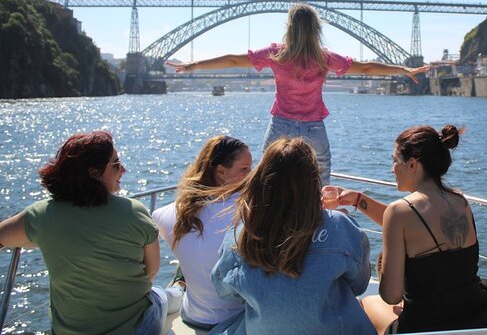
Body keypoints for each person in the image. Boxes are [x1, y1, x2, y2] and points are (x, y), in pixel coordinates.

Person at [168, 3, 429, 185]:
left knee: (269, 177)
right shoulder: (325, 58)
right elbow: (368, 67)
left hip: (281, 124)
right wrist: (402, 69)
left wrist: (194, 64)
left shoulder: (277, 53)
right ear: (317, 29)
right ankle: (319, 227)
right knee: (322, 179)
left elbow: (234, 61)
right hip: (314, 127)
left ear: (289, 28)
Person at [325, 125, 487, 334]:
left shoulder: (399, 212)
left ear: (412, 163)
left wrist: (383, 263)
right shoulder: (461, 203)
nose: (392, 168)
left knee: (367, 304)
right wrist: (359, 200)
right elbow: (417, 224)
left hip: (428, 326)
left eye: (395, 161)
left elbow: (391, 296)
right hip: (479, 316)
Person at [0, 131, 181, 335]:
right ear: (94, 174)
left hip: (68, 331)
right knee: (162, 296)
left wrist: (47, 239)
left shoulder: (42, 215)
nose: (123, 169)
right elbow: (152, 271)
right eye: (116, 164)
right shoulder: (134, 212)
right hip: (135, 328)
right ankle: (180, 288)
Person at [209, 137, 375, 335]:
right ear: (313, 181)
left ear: (261, 181)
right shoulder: (339, 226)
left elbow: (225, 290)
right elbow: (359, 283)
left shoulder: (241, 235)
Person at [152, 135, 252, 331]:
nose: (252, 174)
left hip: (192, 316)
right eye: (244, 169)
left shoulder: (166, 214)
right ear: (221, 171)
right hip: (237, 317)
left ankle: (178, 286)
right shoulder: (249, 210)